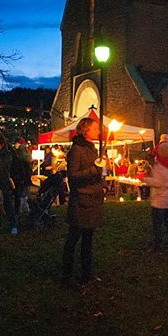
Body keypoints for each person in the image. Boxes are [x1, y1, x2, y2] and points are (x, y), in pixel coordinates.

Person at [61, 117, 104, 286]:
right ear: (85, 130)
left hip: (92, 199)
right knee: (73, 238)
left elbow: (99, 172)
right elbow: (73, 176)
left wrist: (103, 184)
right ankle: (67, 275)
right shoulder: (77, 150)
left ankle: (86, 273)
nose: (98, 132)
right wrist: (94, 169)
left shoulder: (92, 149)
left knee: (88, 240)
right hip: (81, 201)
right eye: (95, 129)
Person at [143, 134, 168, 251]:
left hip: (159, 201)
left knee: (157, 225)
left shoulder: (161, 167)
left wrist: (144, 179)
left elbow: (158, 182)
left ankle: (157, 245)